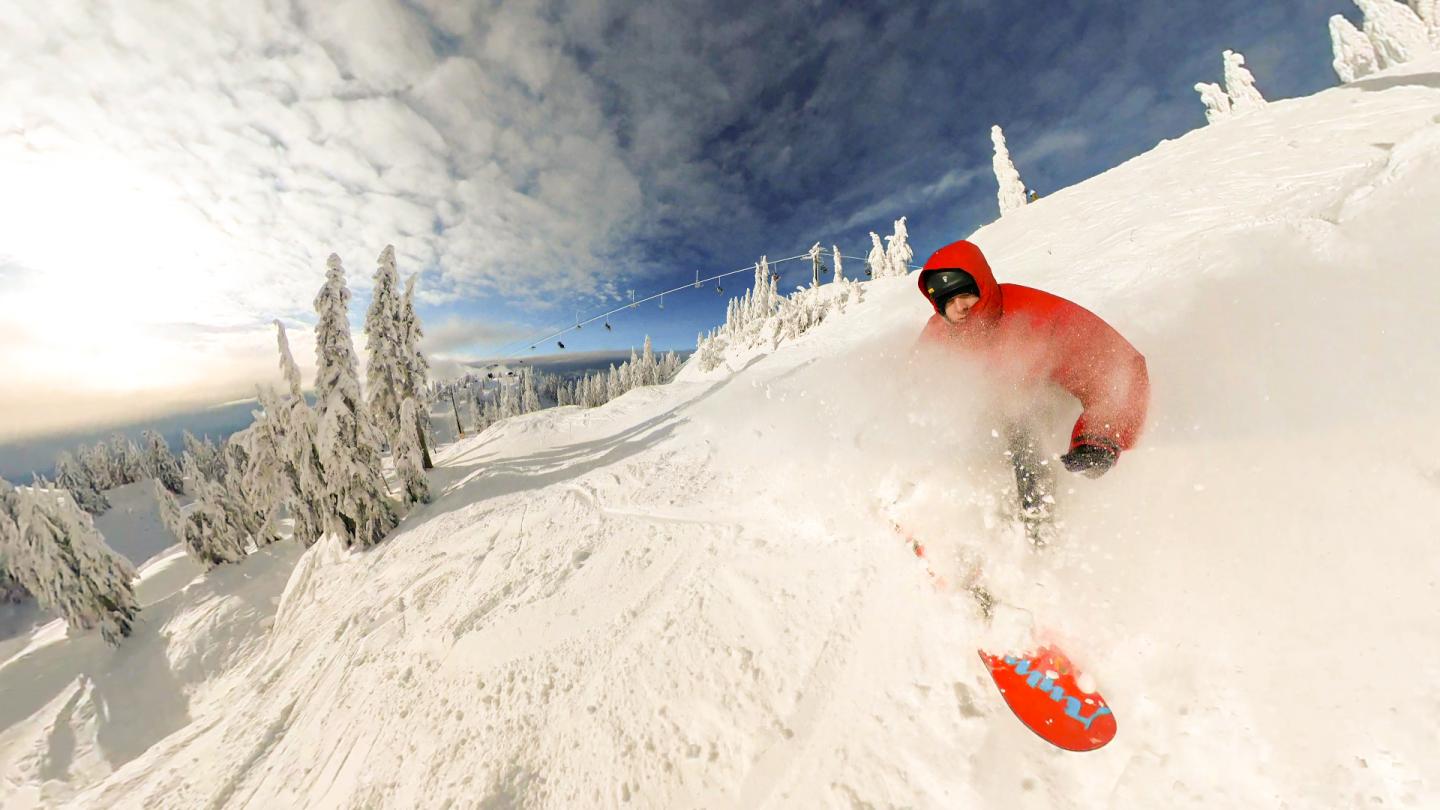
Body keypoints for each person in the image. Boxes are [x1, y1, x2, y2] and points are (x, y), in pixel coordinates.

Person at [915, 239, 1149, 547]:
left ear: (982, 286)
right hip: (985, 424)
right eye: (948, 300)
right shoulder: (937, 336)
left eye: (966, 294)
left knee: (1018, 415)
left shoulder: (1037, 314)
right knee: (954, 426)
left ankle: (1039, 538)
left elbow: (1118, 366)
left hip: (1042, 410)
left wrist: (1100, 435)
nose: (960, 307)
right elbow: (910, 393)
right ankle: (950, 532)